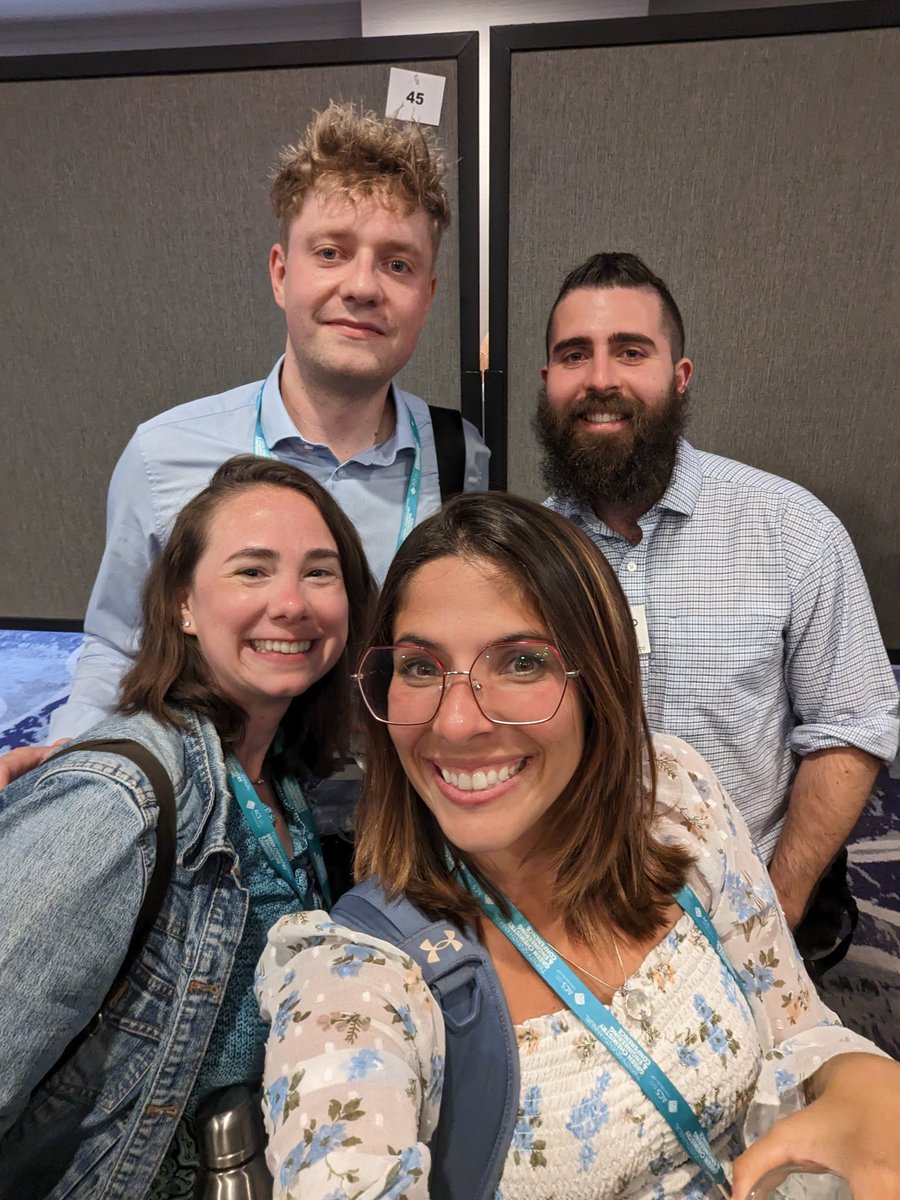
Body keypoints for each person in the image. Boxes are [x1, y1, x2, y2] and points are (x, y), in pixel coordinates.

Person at [256, 493, 900, 1200]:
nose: (460, 721)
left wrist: (860, 1078)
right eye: (420, 667)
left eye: (522, 662)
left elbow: (794, 1026)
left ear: (599, 682)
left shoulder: (672, 801)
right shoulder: (353, 980)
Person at [42, 99, 488, 746]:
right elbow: (116, 648)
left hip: (397, 822)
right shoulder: (164, 456)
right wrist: (71, 771)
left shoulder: (460, 461)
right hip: (224, 825)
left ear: (427, 295)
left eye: (397, 264)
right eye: (331, 252)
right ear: (282, 274)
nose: (363, 287)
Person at [0, 456, 376, 1198]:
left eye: (320, 572)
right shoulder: (119, 806)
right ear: (184, 606)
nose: (292, 603)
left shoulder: (292, 788)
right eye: (251, 571)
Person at [534, 251, 898, 966]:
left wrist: (775, 906)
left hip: (752, 912)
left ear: (679, 376)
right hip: (568, 919)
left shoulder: (795, 531)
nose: (600, 378)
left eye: (630, 351)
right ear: (549, 382)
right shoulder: (521, 555)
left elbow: (852, 727)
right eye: (574, 355)